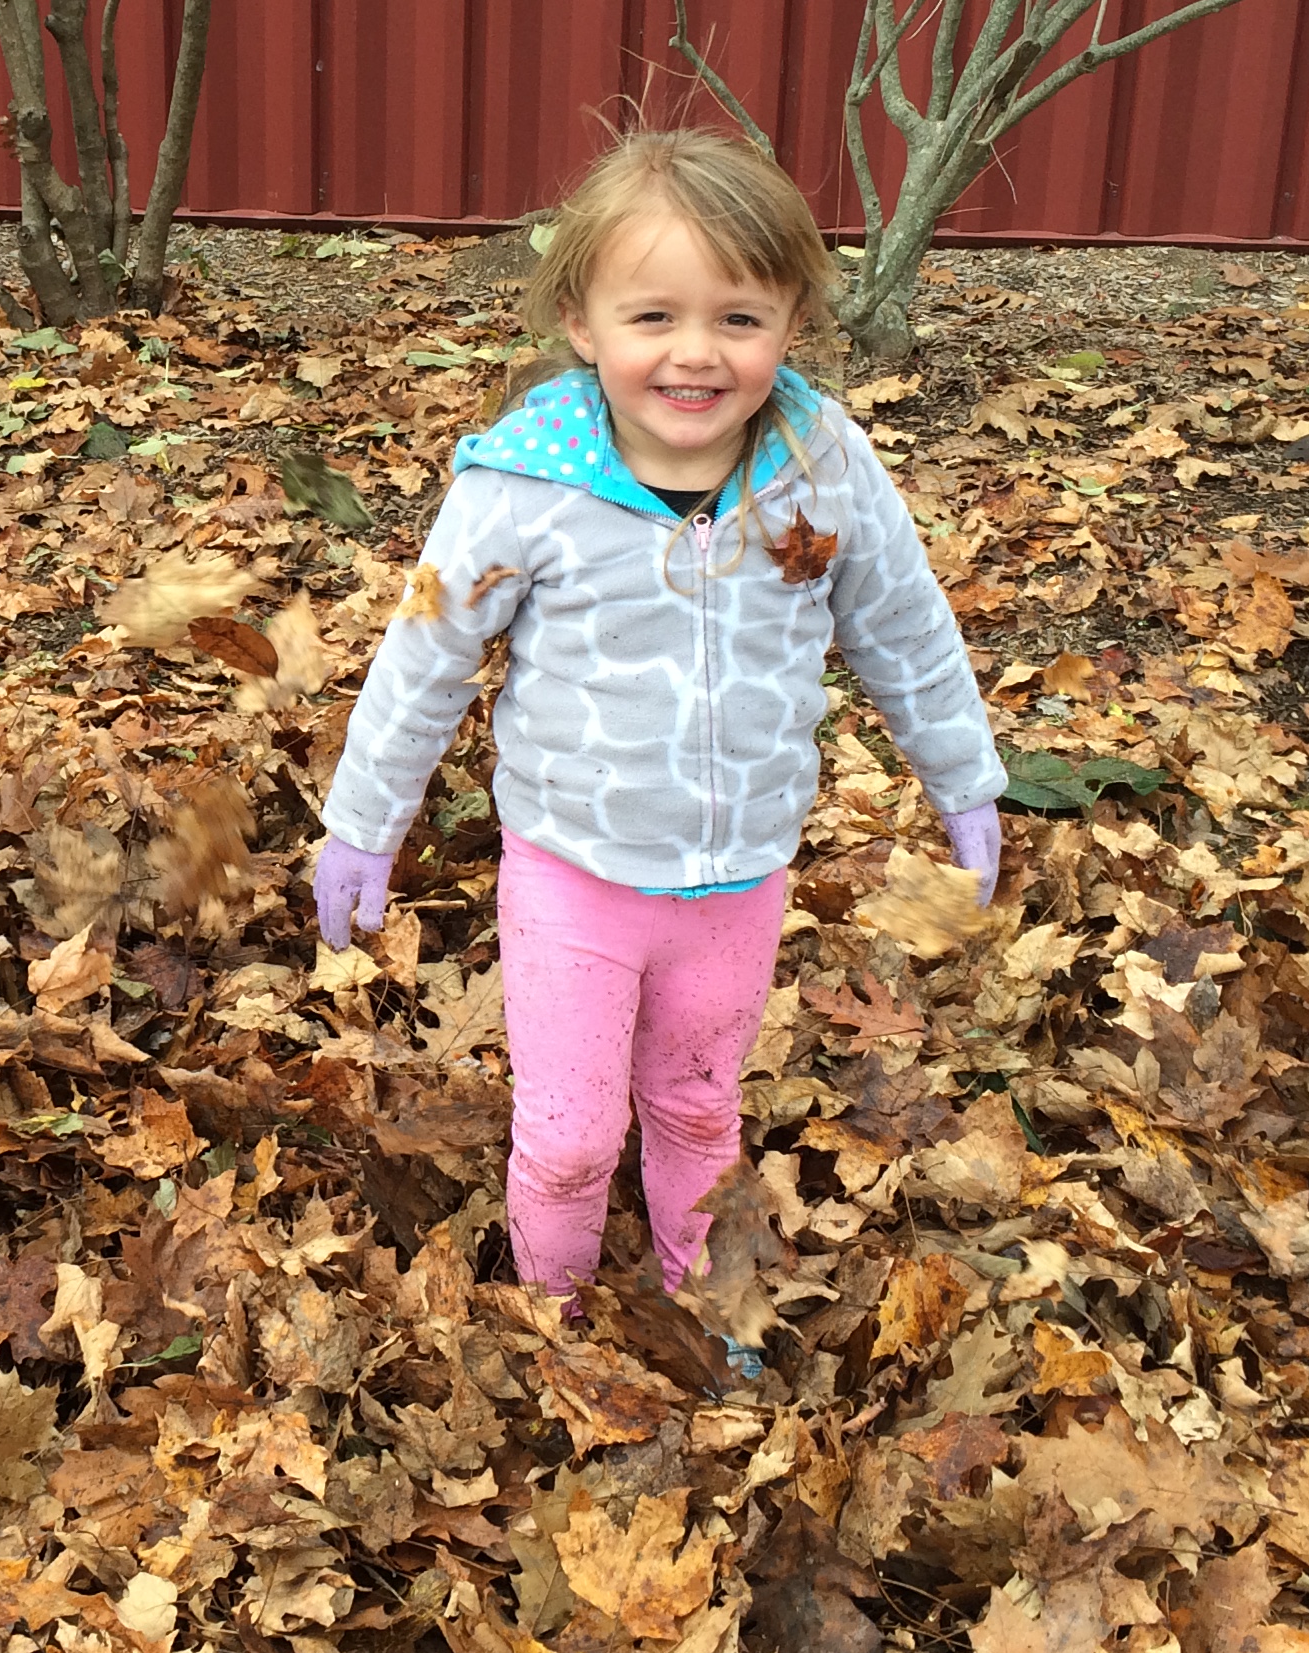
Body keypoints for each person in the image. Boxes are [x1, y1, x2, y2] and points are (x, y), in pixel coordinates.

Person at [310, 130, 1006, 1318]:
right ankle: (556, 1316)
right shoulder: (524, 485)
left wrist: (963, 778)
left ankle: (698, 1302)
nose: (696, 354)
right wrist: (364, 824)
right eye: (653, 319)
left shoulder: (819, 460)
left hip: (738, 879)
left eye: (739, 318)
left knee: (695, 1107)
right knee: (572, 1136)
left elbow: (903, 622)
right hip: (573, 877)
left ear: (791, 318)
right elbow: (426, 653)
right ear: (583, 324)